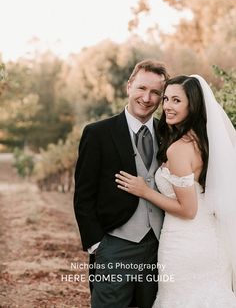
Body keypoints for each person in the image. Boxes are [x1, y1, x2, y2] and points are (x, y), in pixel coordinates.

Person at [116, 74, 236, 307]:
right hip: (208, 238)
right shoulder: (202, 141)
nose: (167, 106)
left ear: (192, 104)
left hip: (185, 243)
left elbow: (188, 209)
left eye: (177, 101)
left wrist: (145, 191)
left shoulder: (179, 149)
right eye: (167, 99)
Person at [73, 59, 169, 308]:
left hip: (161, 248)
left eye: (155, 92)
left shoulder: (168, 136)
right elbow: (83, 195)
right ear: (129, 86)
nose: (147, 98)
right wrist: (98, 245)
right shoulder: (97, 133)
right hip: (115, 245)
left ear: (161, 97)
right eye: (141, 88)